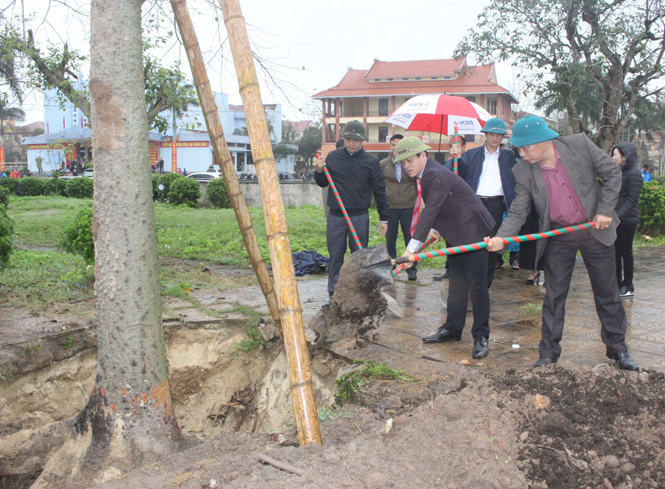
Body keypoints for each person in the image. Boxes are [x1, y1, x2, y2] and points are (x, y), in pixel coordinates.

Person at [486, 116, 639, 370]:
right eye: (518, 149)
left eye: (525, 148)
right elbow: (518, 211)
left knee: (607, 293)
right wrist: (502, 238)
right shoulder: (522, 170)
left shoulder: (578, 145)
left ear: (543, 140)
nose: (521, 154)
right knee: (554, 296)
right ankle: (548, 354)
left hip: (594, 231)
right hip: (558, 236)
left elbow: (612, 173)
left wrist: (604, 210)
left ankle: (618, 349)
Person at [396, 137, 495, 359]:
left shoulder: (435, 174)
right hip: (455, 232)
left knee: (477, 287)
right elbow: (441, 207)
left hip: (473, 232)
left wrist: (411, 249)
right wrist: (435, 231)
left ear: (423, 155)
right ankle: (452, 329)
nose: (407, 166)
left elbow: (429, 211)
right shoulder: (425, 174)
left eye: (410, 160)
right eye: (403, 163)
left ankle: (481, 336)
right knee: (457, 283)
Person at [315, 120, 389, 303]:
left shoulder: (371, 162)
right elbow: (322, 182)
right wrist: (318, 170)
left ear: (362, 141)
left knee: (358, 255)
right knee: (335, 254)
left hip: (358, 216)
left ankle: (358, 291)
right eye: (348, 139)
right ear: (344, 139)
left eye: (356, 140)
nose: (352, 143)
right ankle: (333, 292)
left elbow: (380, 190)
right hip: (336, 215)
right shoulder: (332, 157)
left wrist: (384, 218)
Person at [457, 117, 517, 288]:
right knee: (472, 244)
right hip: (474, 205)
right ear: (485, 134)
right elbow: (457, 176)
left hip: (496, 205)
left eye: (499, 134)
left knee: (492, 246)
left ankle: (485, 285)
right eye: (491, 133)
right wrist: (456, 156)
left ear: (503, 137)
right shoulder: (471, 155)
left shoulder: (509, 156)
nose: (495, 138)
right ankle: (470, 282)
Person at [380, 134, 419, 281]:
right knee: (390, 240)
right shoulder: (383, 164)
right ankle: (392, 267)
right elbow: (379, 186)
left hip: (409, 206)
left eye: (399, 144)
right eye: (393, 144)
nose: (395, 147)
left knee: (411, 238)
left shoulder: (409, 163)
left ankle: (412, 269)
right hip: (390, 208)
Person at [434, 136, 468, 281]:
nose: (453, 147)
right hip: (449, 208)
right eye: (451, 145)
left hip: (464, 209)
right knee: (450, 240)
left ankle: (463, 271)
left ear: (464, 147)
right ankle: (450, 268)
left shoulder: (468, 160)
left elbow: (465, 173)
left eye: (456, 145)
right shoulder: (448, 164)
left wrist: (458, 158)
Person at [612, 142, 643, 298]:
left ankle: (628, 285)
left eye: (615, 155)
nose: (613, 157)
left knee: (626, 252)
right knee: (614, 252)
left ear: (625, 157)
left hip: (627, 220)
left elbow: (632, 199)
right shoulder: (618, 173)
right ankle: (616, 283)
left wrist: (619, 217)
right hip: (615, 219)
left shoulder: (634, 174)